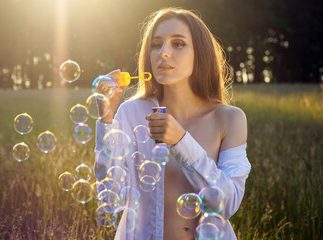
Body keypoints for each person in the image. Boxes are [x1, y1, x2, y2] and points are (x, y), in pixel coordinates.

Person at [94, 7, 251, 240]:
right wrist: (106, 119)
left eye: (178, 44)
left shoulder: (229, 118)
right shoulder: (131, 112)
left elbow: (227, 203)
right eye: (156, 44)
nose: (163, 53)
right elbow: (111, 197)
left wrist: (181, 141)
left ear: (200, 53)